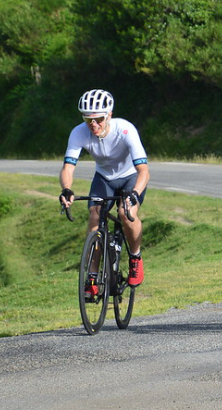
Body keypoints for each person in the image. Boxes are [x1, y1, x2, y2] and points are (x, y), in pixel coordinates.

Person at [59, 89, 150, 298]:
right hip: (104, 178)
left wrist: (134, 193)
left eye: (98, 119)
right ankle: (92, 277)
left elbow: (143, 171)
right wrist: (66, 189)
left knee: (126, 212)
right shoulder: (78, 133)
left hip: (130, 177)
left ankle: (135, 257)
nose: (93, 125)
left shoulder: (125, 130)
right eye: (88, 120)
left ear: (109, 115)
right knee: (94, 214)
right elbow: (68, 167)